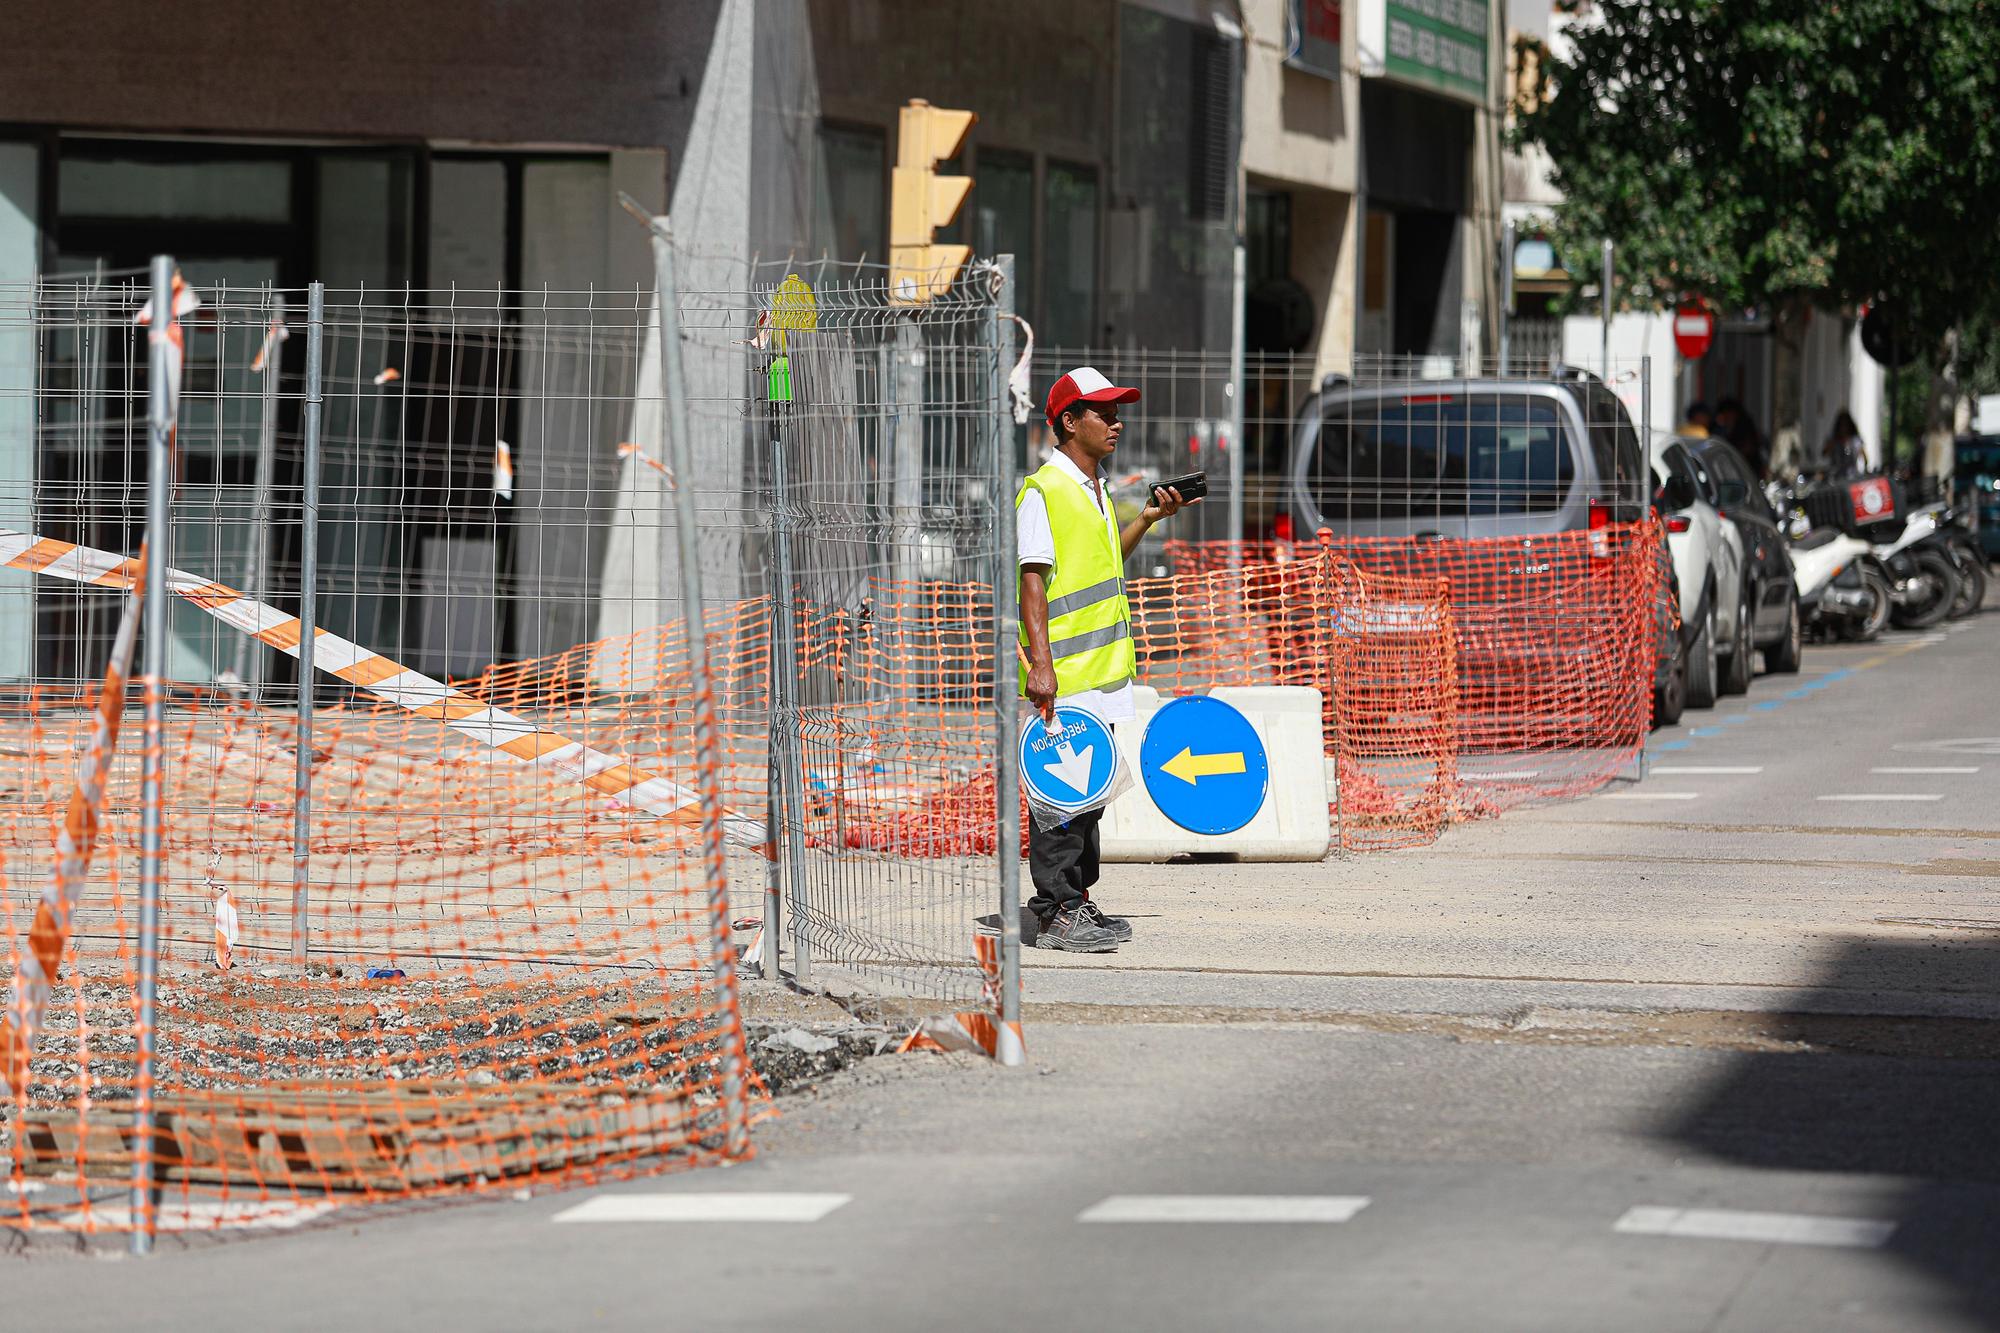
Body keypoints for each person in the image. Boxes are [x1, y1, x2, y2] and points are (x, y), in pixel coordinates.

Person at [1016, 367, 1195, 953]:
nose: (1116, 422)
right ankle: (1053, 911)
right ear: (1069, 421)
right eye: (1104, 412)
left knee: (1087, 800)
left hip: (1105, 675)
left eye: (1117, 411)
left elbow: (1105, 564)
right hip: (1065, 679)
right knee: (1060, 801)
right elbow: (1033, 586)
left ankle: (1078, 902)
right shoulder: (1044, 489)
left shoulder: (1093, 488)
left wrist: (1145, 517)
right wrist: (1041, 668)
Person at [1713, 398, 1770, 478]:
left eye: (1726, 414)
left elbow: (1748, 448)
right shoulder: (1722, 429)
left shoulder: (1744, 427)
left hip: (1748, 467)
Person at [1822, 410, 1868, 477]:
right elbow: (1824, 453)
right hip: (1836, 476)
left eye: (1846, 425)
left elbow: (1864, 457)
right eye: (1842, 425)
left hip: (1852, 475)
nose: (1844, 428)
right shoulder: (1834, 440)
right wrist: (1831, 444)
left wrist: (1865, 471)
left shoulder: (1855, 441)